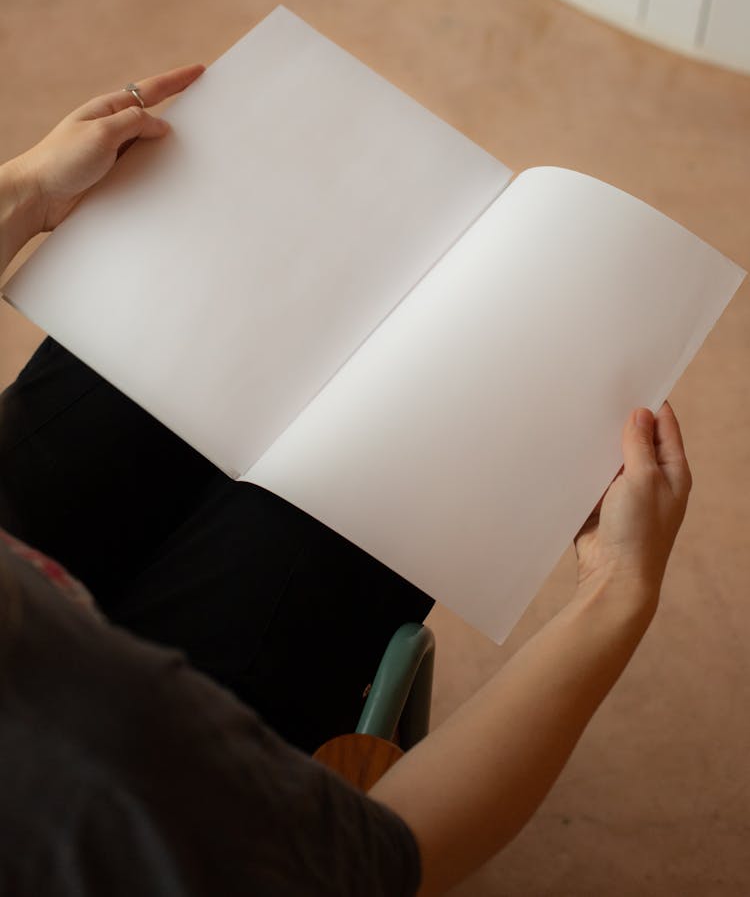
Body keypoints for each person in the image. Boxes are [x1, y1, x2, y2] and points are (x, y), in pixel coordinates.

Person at [0, 66, 693, 896]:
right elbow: (386, 857)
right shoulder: (116, 810)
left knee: (161, 344)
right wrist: (619, 591)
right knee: (396, 458)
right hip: (118, 729)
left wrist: (27, 191)